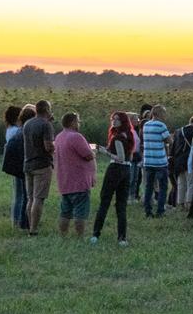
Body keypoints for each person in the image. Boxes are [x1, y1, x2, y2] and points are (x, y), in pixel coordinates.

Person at [92, 111, 135, 245]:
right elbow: (129, 157)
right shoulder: (129, 135)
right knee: (121, 205)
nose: (113, 121)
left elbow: (120, 158)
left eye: (116, 120)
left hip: (115, 169)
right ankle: (122, 237)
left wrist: (105, 152)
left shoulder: (117, 137)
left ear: (122, 122)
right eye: (113, 119)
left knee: (105, 201)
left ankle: (96, 234)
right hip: (127, 170)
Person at [53, 112, 96, 239]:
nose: (79, 124)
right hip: (79, 181)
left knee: (65, 212)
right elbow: (88, 155)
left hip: (64, 180)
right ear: (72, 122)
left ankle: (63, 235)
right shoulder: (76, 137)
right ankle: (80, 236)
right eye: (78, 121)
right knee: (80, 213)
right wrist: (93, 152)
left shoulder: (59, 137)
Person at [22, 98, 57, 235]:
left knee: (30, 198)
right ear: (47, 110)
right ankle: (34, 229)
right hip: (42, 165)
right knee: (38, 198)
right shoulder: (46, 125)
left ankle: (30, 226)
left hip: (28, 163)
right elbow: (48, 146)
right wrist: (54, 148)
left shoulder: (27, 124)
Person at [139, 105, 172, 217]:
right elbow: (169, 140)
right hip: (160, 161)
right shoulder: (161, 125)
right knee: (163, 187)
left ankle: (148, 211)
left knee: (149, 187)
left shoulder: (146, 125)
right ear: (160, 114)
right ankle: (160, 211)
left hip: (148, 160)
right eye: (164, 113)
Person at [2, 105, 30, 230]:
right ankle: (19, 220)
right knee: (21, 195)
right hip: (19, 164)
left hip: (15, 164)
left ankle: (16, 219)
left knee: (18, 194)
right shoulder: (16, 131)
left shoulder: (10, 129)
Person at [168, 115, 193, 211]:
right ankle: (189, 203)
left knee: (181, 183)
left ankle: (180, 204)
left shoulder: (178, 131)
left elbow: (173, 147)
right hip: (189, 161)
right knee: (191, 182)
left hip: (178, 161)